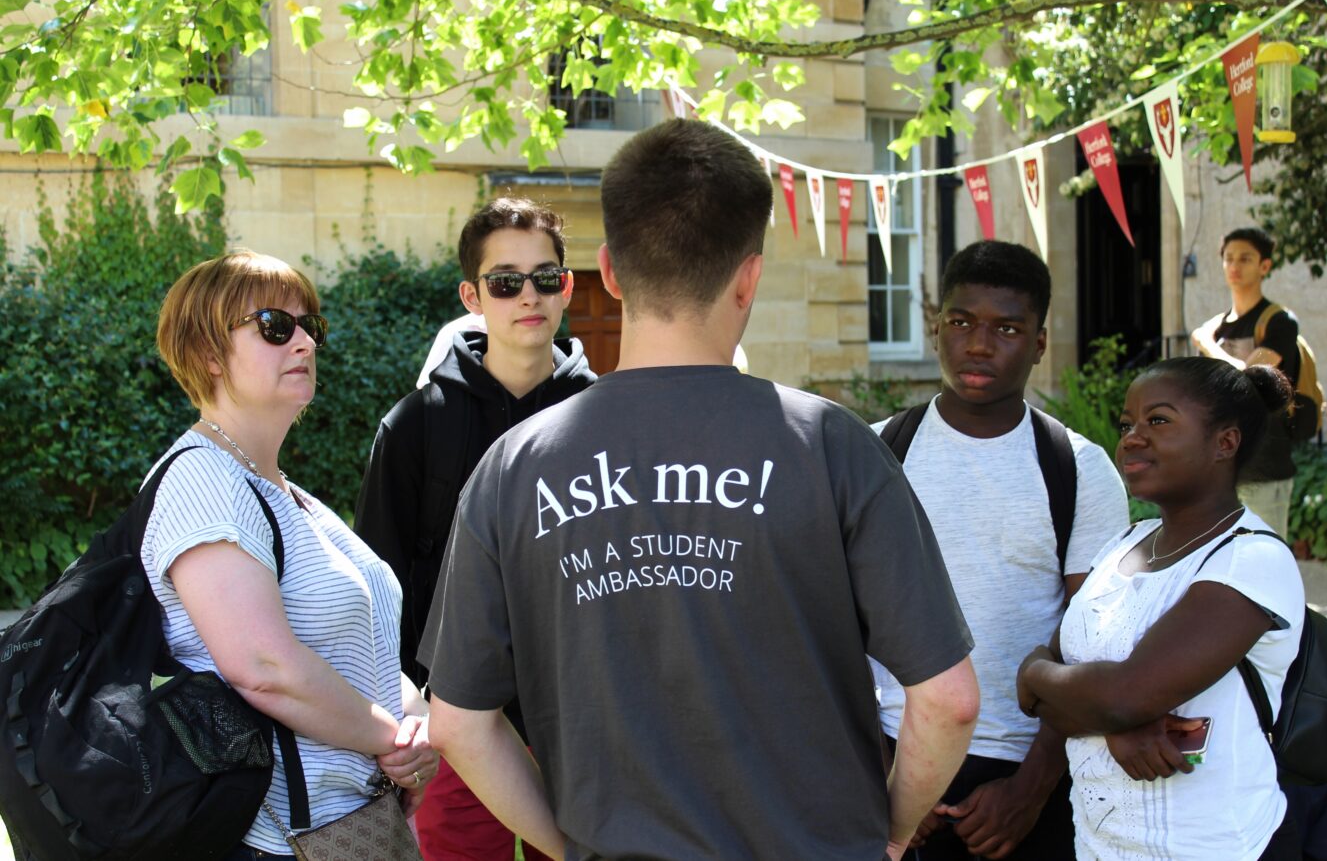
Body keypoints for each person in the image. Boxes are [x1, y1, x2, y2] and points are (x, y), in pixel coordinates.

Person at [424, 118, 980, 860]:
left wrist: (566, 844)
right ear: (749, 277)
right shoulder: (832, 445)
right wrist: (893, 827)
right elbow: (949, 698)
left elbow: (458, 721)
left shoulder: (513, 467)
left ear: (610, 272)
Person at [146, 250, 438, 860]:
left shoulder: (283, 493)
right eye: (276, 326)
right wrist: (395, 740)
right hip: (274, 840)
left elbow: (368, 650)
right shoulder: (204, 482)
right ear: (206, 353)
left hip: (350, 823)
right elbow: (265, 669)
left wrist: (419, 727)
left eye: (312, 327)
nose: (304, 342)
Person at [871, 240, 1129, 860]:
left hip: (1025, 768)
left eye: (1006, 328)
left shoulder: (1078, 470)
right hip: (890, 753)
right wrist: (885, 775)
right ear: (937, 329)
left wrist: (1032, 788)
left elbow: (1091, 642)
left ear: (1039, 342)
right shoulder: (878, 454)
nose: (979, 345)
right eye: (961, 323)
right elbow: (837, 621)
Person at [356, 197, 594, 861]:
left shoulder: (606, 419)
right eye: (505, 280)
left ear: (567, 286)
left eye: (546, 277)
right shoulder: (415, 426)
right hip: (456, 717)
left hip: (580, 720)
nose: (529, 296)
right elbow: (378, 583)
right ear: (473, 294)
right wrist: (405, 714)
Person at [1016, 356, 1304, 860]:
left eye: (1159, 420)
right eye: (1127, 424)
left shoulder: (1251, 559)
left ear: (1225, 442)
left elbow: (1118, 695)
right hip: (1100, 846)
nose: (1132, 437)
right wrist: (1109, 713)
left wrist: (1036, 676)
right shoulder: (1124, 544)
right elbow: (1088, 682)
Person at [1191, 227, 1300, 539]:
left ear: (1265, 266)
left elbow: (1250, 376)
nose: (1235, 266)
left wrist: (1205, 342)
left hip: (1265, 466)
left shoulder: (1279, 322)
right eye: (1229, 258)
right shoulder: (1219, 326)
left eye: (1245, 258)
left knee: (1265, 560)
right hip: (1220, 467)